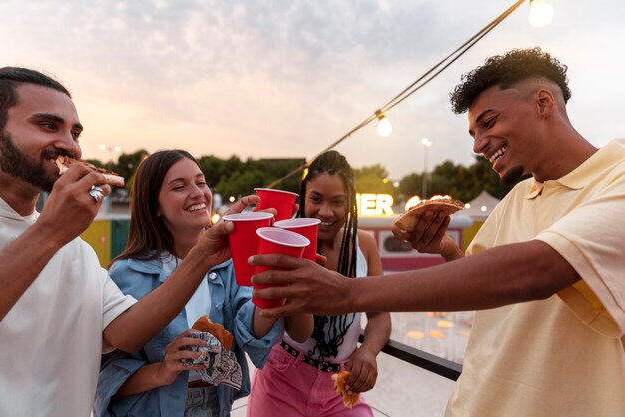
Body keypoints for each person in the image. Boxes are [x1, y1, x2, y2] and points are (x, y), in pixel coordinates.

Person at [249, 48, 625, 416]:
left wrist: (345, 293)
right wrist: (446, 249)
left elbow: (540, 269)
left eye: (489, 123)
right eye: (473, 132)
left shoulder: (616, 177)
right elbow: (486, 286)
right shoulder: (518, 197)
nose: (478, 145)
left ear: (543, 103)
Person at [0, 67, 250, 417]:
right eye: (47, 125)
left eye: (74, 132)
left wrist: (204, 255)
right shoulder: (61, 237)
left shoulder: (78, 251)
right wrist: (52, 231)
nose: (70, 145)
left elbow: (125, 333)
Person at [94, 149, 313, 417]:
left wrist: (277, 277)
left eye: (201, 181)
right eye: (179, 186)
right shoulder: (126, 273)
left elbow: (252, 331)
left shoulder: (229, 266)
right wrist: (162, 370)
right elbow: (103, 376)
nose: (198, 192)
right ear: (154, 206)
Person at [247, 150, 391, 417]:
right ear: (303, 198)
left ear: (350, 204)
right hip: (282, 379)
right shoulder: (283, 243)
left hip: (339, 388)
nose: (325, 211)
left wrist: (369, 351)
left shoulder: (365, 245)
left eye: (337, 201)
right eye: (316, 199)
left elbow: (380, 312)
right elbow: (298, 332)